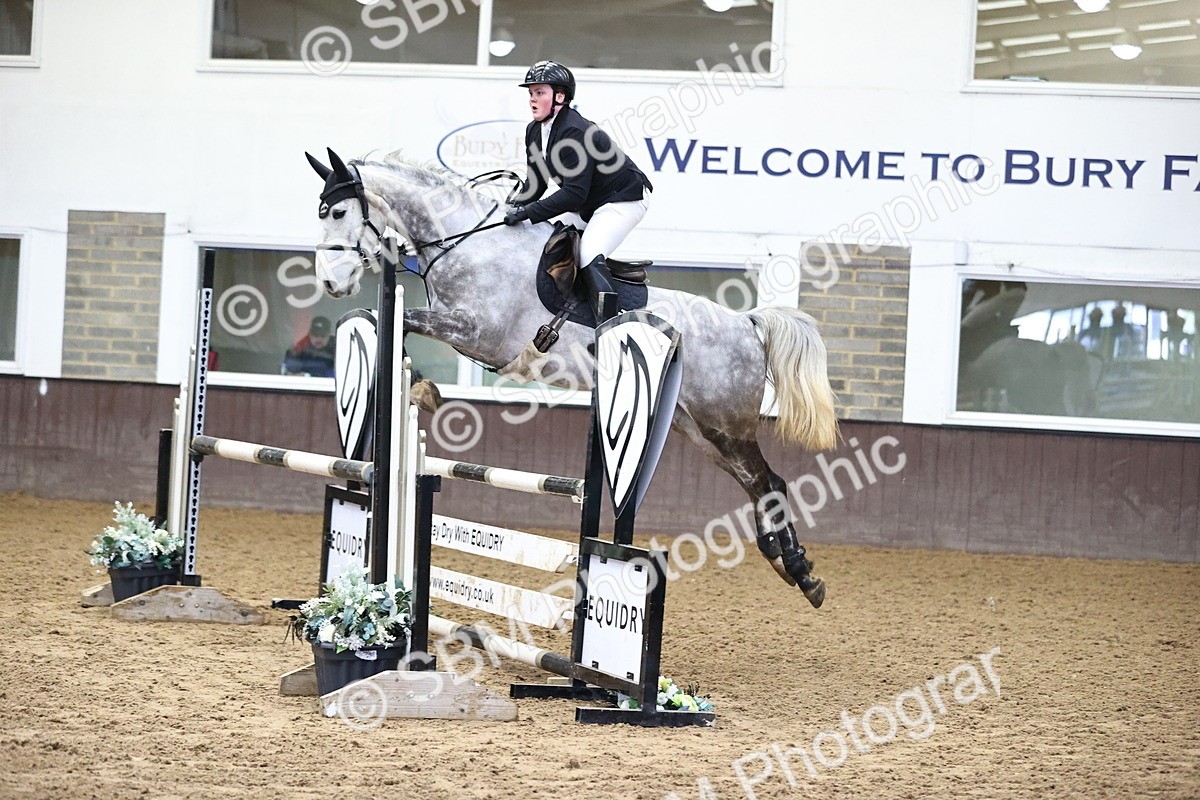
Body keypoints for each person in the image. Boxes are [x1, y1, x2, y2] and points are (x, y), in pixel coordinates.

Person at [503, 60, 654, 315]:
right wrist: (510, 207)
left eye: (540, 93)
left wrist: (528, 213)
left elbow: (574, 194)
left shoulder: (575, 131)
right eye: (530, 93)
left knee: (587, 254)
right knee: (544, 242)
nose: (532, 99)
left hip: (623, 198)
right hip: (589, 204)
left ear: (560, 96)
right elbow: (536, 184)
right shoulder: (534, 131)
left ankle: (610, 326)